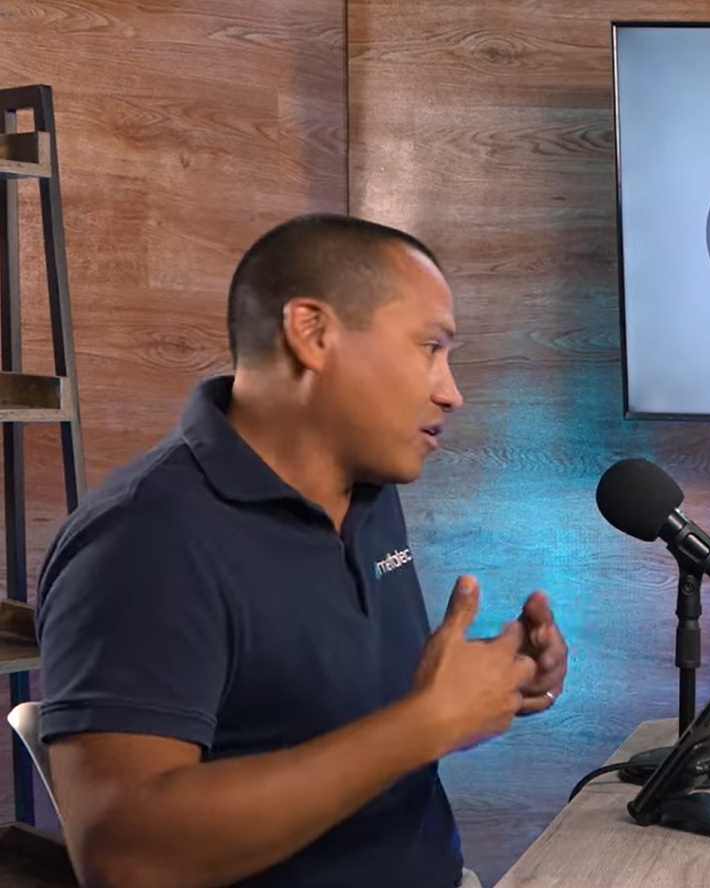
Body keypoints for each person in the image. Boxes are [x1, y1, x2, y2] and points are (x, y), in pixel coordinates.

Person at [33, 214, 569, 888]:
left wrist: (490, 681)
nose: (451, 391)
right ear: (312, 332)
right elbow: (124, 855)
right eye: (430, 347)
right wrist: (422, 726)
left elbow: (327, 704)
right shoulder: (142, 540)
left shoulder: (369, 492)